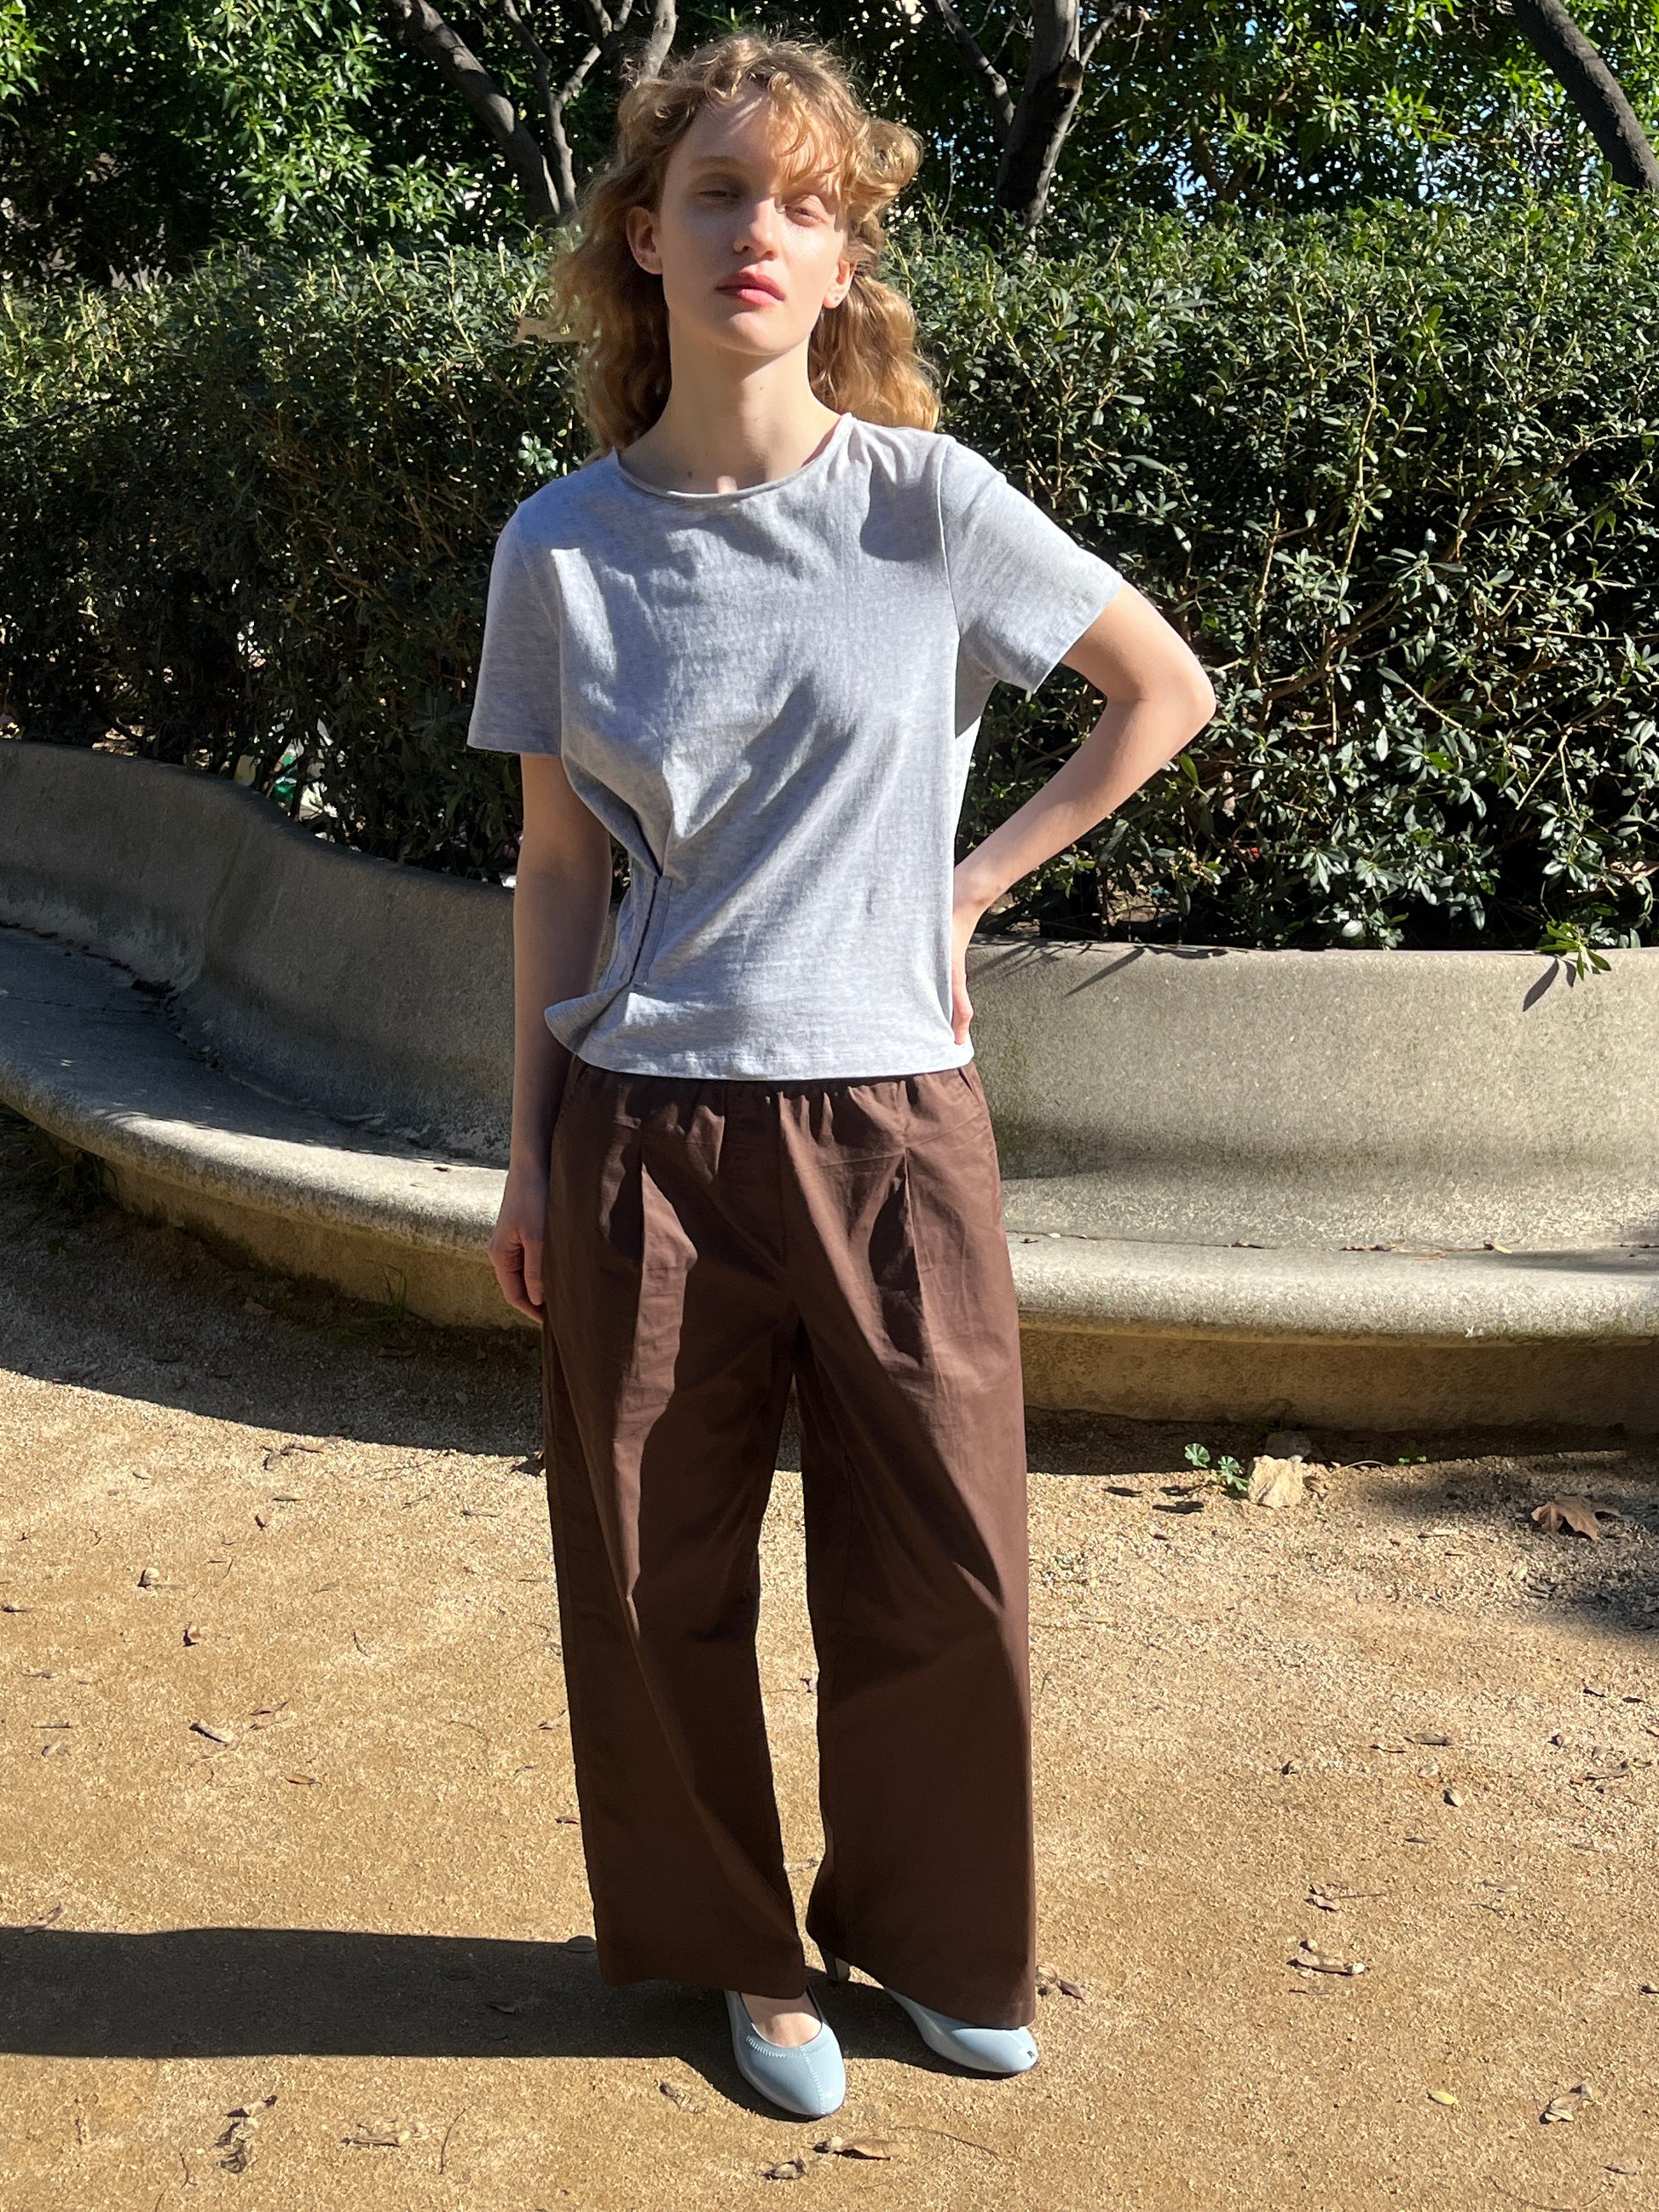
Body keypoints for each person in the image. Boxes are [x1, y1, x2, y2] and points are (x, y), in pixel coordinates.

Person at [466, 31, 1214, 2122]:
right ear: (643, 233)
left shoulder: (927, 505)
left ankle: (942, 1939)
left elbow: (1160, 689)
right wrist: (526, 1150)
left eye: (807, 203)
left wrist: (970, 888)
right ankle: (741, 1956)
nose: (759, 234)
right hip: (645, 1123)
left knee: (950, 1563)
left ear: (848, 252)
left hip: (893, 1112)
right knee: (651, 1576)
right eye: (718, 191)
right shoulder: (561, 544)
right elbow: (557, 870)